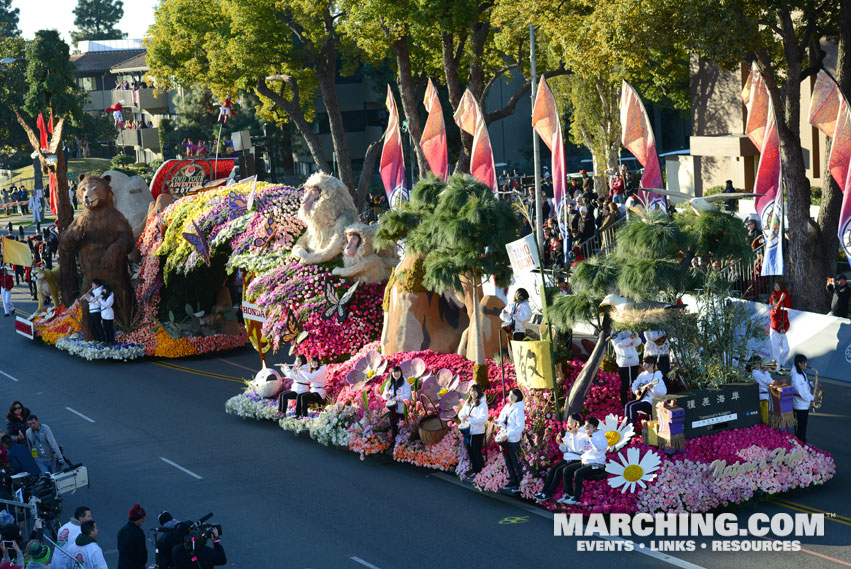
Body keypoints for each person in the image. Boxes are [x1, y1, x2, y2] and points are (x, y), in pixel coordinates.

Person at [557, 416, 609, 506]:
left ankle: (576, 498)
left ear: (594, 427)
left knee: (578, 473)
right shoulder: (586, 435)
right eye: (585, 426)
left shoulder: (601, 436)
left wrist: (590, 436)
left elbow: (599, 448)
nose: (585, 428)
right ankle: (568, 494)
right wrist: (572, 436)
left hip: (597, 464)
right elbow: (577, 448)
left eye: (588, 427)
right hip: (585, 462)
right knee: (566, 470)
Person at [534, 414, 583, 502]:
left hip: (576, 458)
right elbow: (564, 449)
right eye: (568, 420)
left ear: (577, 423)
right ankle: (543, 491)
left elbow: (577, 448)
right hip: (567, 458)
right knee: (553, 469)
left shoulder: (580, 433)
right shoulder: (568, 432)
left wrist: (566, 439)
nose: (569, 423)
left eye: (571, 421)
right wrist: (562, 441)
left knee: (558, 471)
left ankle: (548, 493)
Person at [495, 389, 525, 494]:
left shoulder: (518, 409)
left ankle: (519, 482)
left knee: (515, 461)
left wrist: (507, 434)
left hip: (512, 439)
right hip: (504, 439)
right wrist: (497, 422)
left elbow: (520, 427)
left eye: (513, 395)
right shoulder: (507, 407)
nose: (510, 397)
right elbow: (502, 419)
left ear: (518, 397)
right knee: (508, 460)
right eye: (510, 394)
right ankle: (513, 480)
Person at [624, 355, 668, 425]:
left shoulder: (657, 375)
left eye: (646, 363)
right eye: (643, 362)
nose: (643, 364)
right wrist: (636, 391)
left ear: (652, 365)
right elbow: (634, 384)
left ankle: (632, 429)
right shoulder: (642, 375)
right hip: (642, 398)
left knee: (633, 407)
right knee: (627, 405)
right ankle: (627, 427)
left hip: (651, 401)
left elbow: (663, 392)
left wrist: (652, 388)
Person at [457, 384, 488, 479]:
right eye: (471, 391)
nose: (472, 393)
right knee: (470, 451)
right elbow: (461, 413)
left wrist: (470, 420)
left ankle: (481, 471)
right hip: (469, 431)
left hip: (478, 432)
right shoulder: (468, 402)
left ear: (478, 392)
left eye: (474, 391)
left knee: (476, 451)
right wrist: (463, 417)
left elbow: (483, 419)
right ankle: (475, 471)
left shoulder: (482, 404)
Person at [610, 331, 642, 406]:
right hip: (623, 363)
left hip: (634, 361)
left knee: (635, 383)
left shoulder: (629, 330)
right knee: (625, 384)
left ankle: (635, 401)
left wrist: (634, 336)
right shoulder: (614, 332)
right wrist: (629, 338)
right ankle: (624, 403)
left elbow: (638, 342)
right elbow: (618, 345)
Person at [381, 366, 411, 444]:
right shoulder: (389, 383)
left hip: (401, 409)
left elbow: (407, 395)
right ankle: (395, 443)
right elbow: (384, 394)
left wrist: (397, 398)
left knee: (402, 427)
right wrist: (387, 395)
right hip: (392, 409)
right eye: (394, 373)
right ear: (392, 374)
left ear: (401, 373)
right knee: (393, 427)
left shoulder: (405, 383)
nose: (396, 375)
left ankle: (403, 444)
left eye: (398, 373)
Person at [789, 354, 814, 444]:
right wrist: (813, 398)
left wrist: (813, 384)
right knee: (801, 426)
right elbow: (801, 391)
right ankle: (801, 443)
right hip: (800, 404)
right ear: (799, 363)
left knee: (803, 425)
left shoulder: (802, 374)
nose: (806, 364)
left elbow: (805, 385)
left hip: (804, 404)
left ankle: (801, 442)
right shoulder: (796, 376)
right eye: (804, 362)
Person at [117, 503, 147, 569]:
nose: (143, 521)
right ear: (137, 519)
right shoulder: (139, 534)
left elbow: (119, 548)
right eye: (142, 518)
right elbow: (142, 556)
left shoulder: (121, 532)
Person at [768, 280, 791, 366]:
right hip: (774, 331)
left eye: (778, 286)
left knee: (786, 349)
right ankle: (778, 368)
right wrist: (780, 300)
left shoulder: (783, 310)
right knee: (776, 352)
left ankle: (780, 364)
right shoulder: (773, 311)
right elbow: (775, 309)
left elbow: (787, 322)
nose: (776, 288)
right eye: (775, 286)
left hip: (781, 331)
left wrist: (784, 330)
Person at [749, 356, 773, 424]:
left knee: (766, 417)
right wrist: (766, 372)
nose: (761, 364)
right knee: (765, 419)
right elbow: (770, 382)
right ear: (755, 364)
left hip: (764, 396)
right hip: (762, 398)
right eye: (760, 363)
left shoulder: (759, 372)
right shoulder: (756, 373)